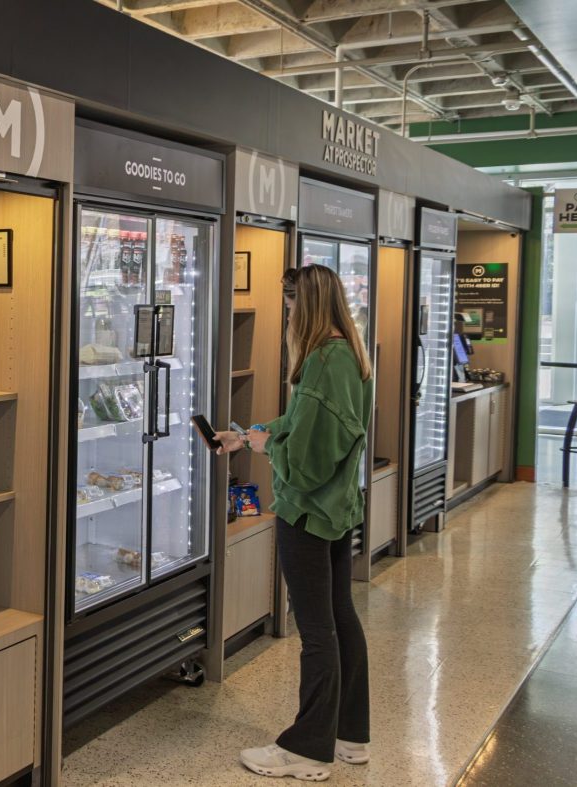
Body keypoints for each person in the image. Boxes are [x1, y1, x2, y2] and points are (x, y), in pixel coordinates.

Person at [216, 263, 374, 781]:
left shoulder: (324, 361)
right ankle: (350, 735)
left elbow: (306, 461)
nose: (286, 317)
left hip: (306, 512)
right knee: (339, 616)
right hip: (336, 509)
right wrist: (254, 432)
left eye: (288, 307)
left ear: (304, 307)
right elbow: (310, 421)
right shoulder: (349, 355)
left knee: (316, 630)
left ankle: (307, 749)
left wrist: (266, 447)